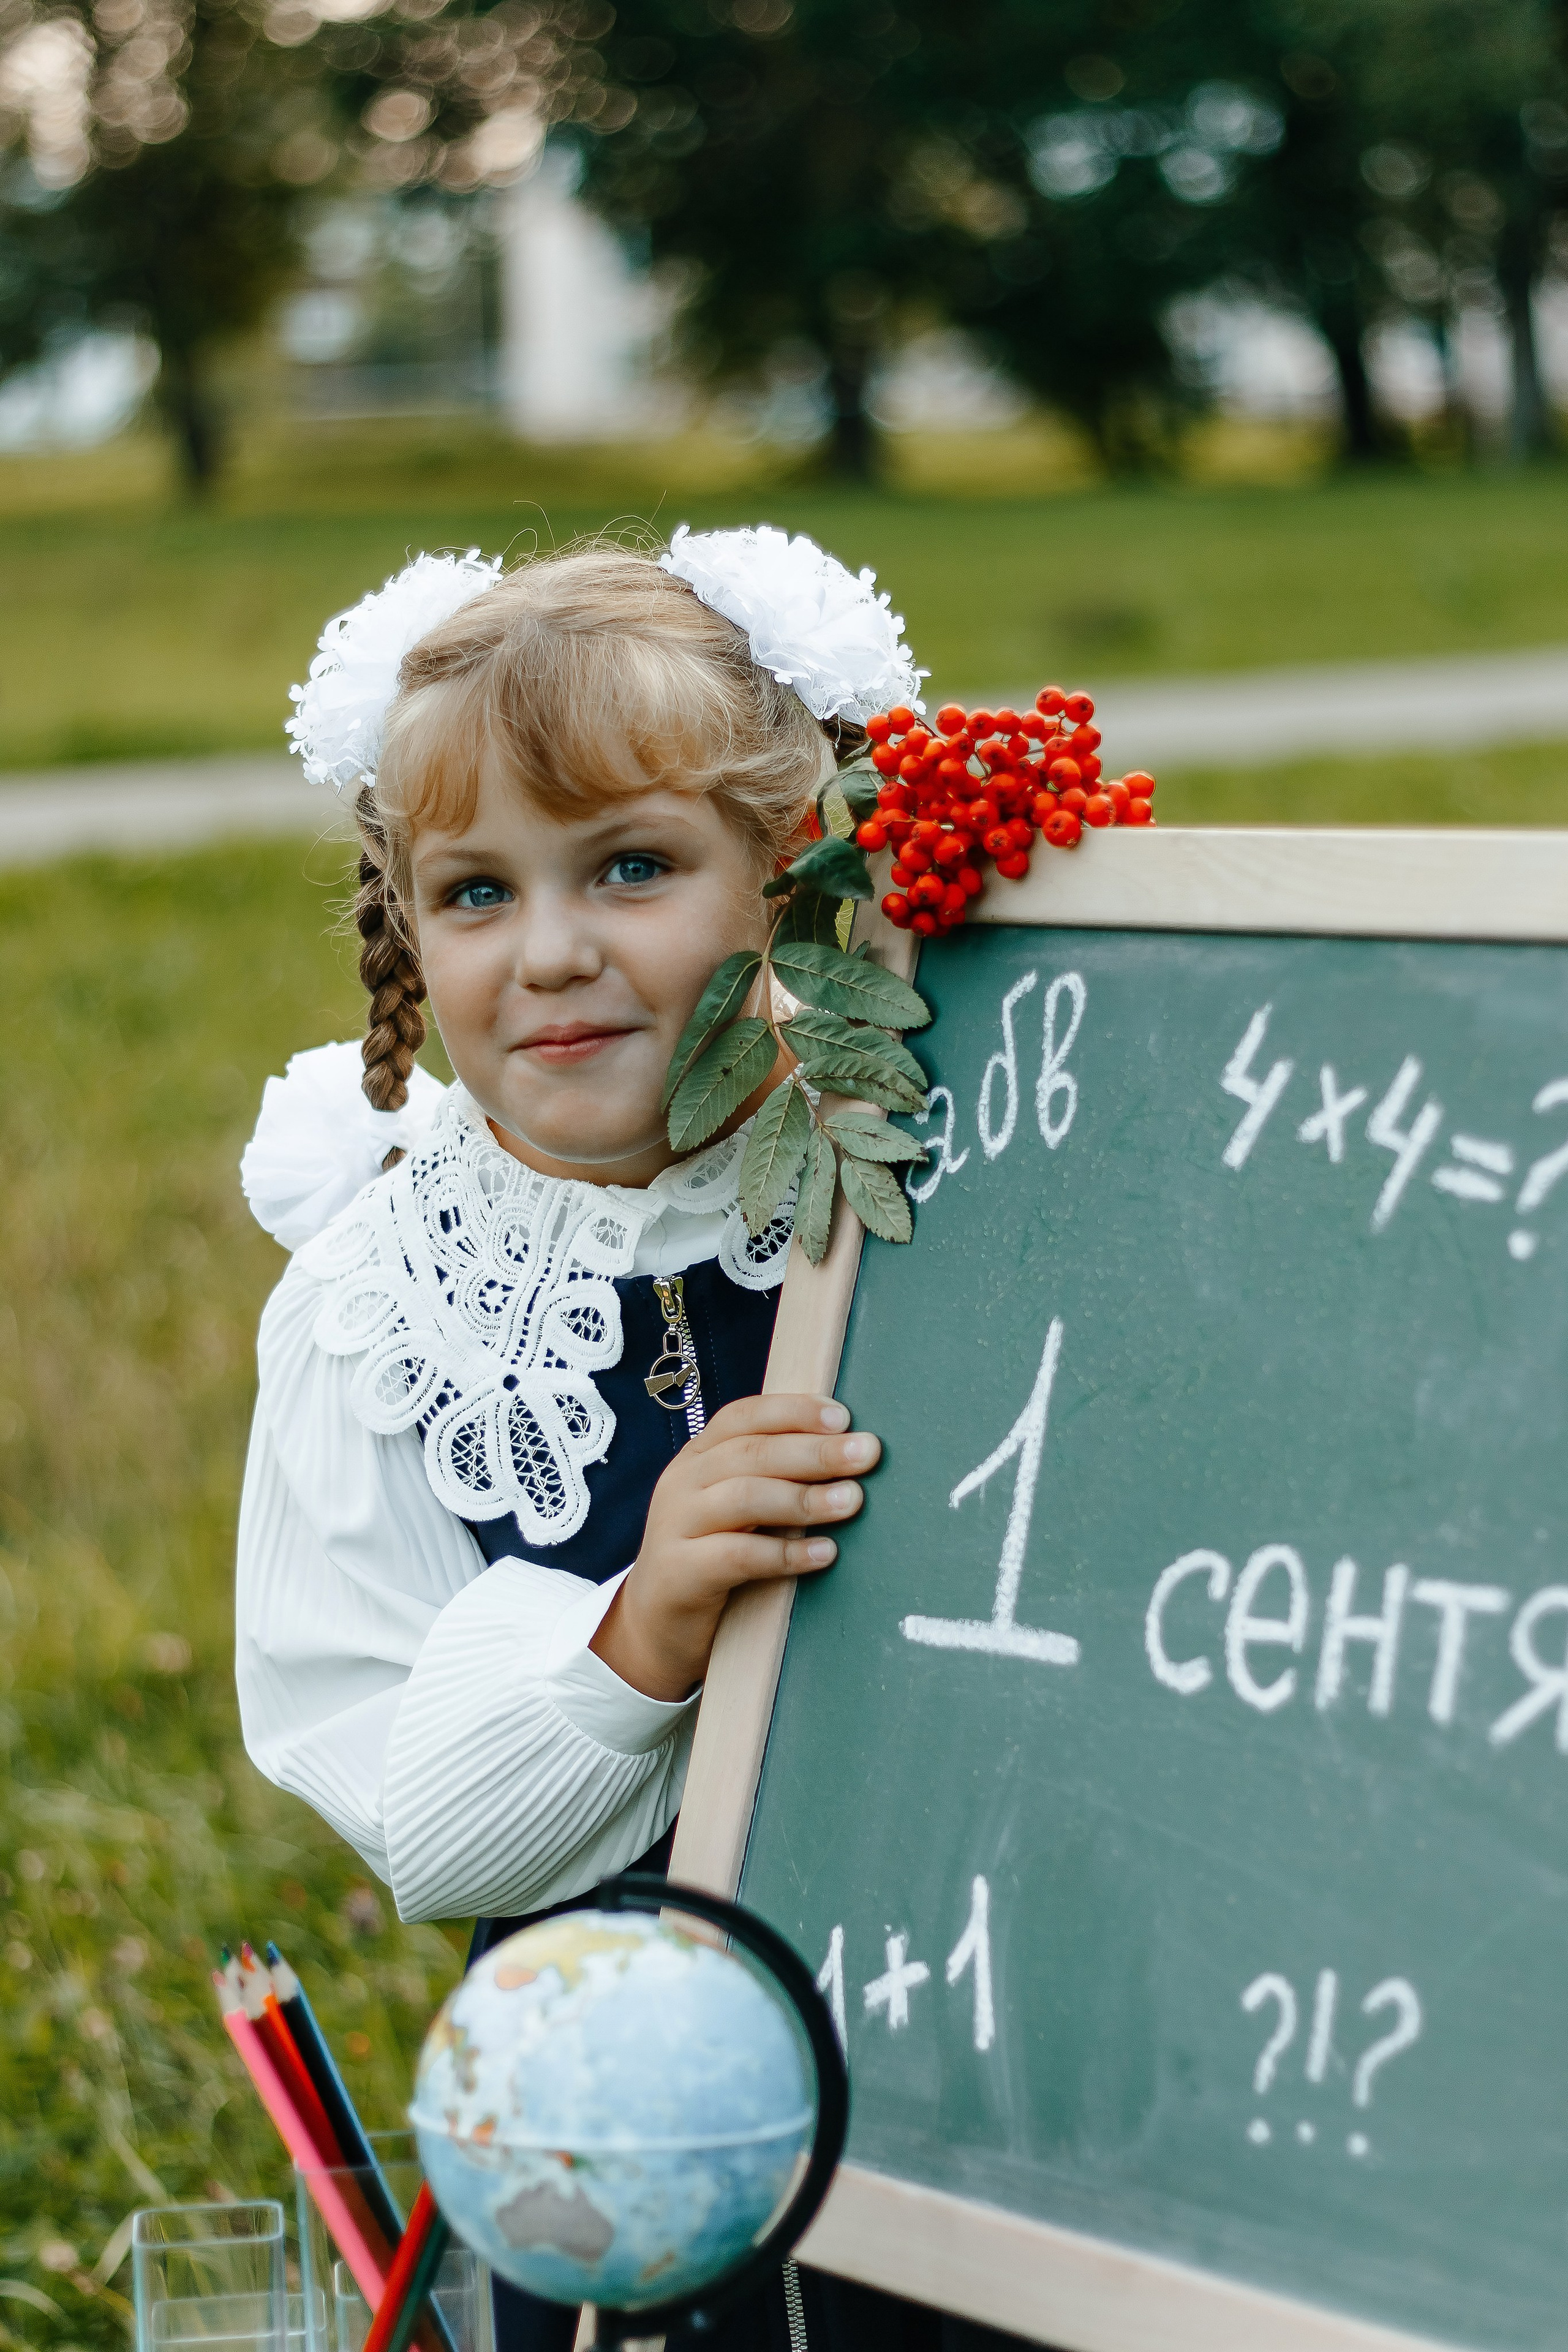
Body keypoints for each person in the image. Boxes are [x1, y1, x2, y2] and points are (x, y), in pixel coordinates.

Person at [235, 528, 1019, 2352]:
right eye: (479, 893)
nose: (556, 954)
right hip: (634, 2158)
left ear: (785, 877)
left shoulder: (944, 1166)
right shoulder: (384, 1309)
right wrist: (633, 1631)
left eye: (636, 866)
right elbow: (417, 1816)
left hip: (994, 2066)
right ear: (409, 929)